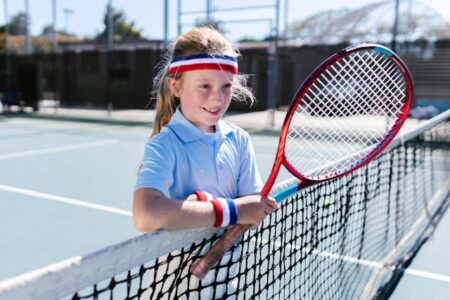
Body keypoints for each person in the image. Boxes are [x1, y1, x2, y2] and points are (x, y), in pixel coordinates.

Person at [132, 27, 277, 298]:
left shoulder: (239, 139)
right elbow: (145, 214)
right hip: (170, 287)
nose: (217, 98)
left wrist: (249, 210)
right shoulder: (166, 144)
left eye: (226, 86)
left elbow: (251, 208)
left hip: (225, 281)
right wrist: (228, 211)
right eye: (204, 86)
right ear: (176, 86)